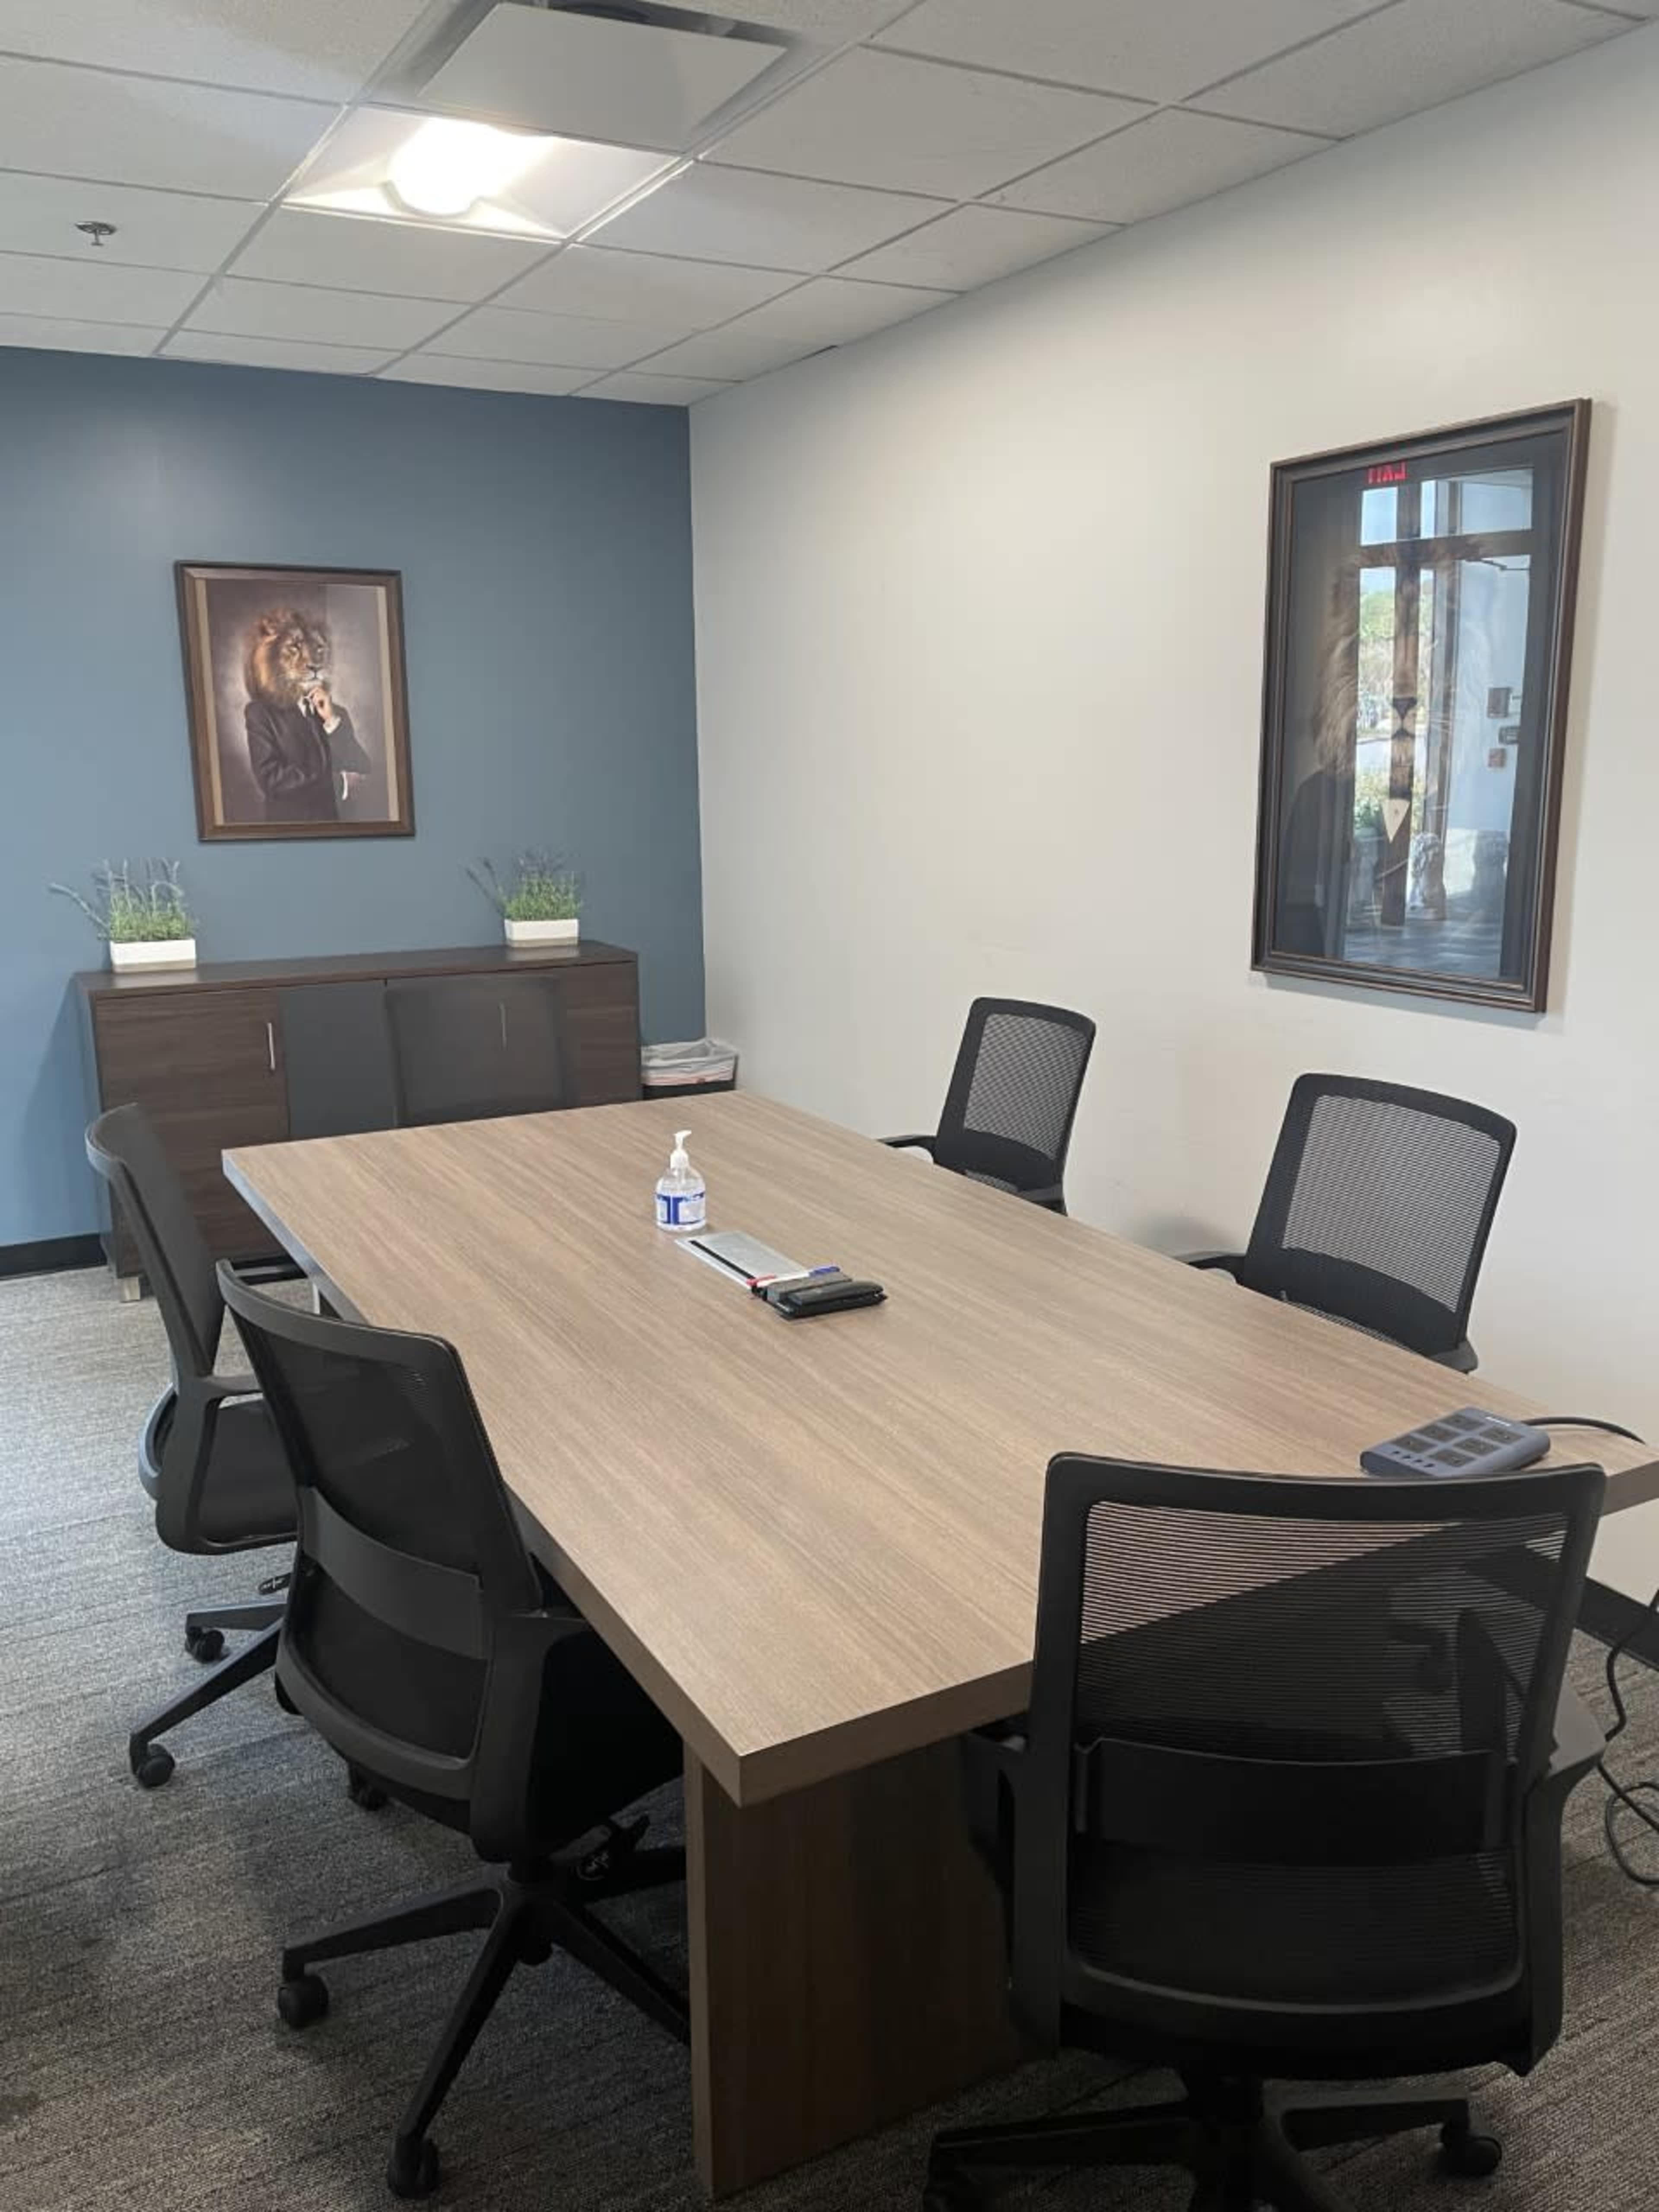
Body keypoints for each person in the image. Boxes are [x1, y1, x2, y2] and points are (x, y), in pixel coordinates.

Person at [242, 608, 373, 824]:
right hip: (288, 833)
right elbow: (273, 781)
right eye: (295, 648)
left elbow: (362, 767)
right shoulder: (261, 714)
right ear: (273, 658)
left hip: (339, 830)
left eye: (319, 649)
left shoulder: (336, 713)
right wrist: (337, 782)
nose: (312, 662)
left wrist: (332, 722)